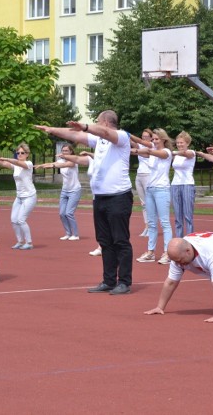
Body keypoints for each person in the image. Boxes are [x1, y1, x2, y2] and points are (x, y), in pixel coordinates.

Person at [35, 110, 133, 295]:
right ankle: (109, 280)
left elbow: (103, 132)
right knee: (105, 241)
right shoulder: (100, 141)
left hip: (118, 197)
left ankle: (125, 282)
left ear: (104, 122)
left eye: (97, 122)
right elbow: (75, 135)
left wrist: (87, 126)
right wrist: (51, 129)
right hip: (101, 198)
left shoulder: (121, 137)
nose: (94, 126)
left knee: (120, 240)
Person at [132, 128, 173, 264]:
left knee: (165, 222)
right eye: (153, 139)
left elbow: (148, 151)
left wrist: (137, 150)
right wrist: (130, 149)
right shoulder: (152, 154)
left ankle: (167, 252)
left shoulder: (166, 152)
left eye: (156, 139)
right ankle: (150, 252)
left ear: (163, 140)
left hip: (162, 189)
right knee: (151, 223)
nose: (153, 141)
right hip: (150, 189)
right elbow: (145, 151)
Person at [0, 143, 37, 250]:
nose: (20, 154)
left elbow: (16, 162)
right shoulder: (16, 166)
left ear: (27, 154)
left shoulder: (28, 164)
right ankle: (20, 241)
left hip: (29, 196)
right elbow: (3, 164)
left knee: (21, 220)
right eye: (18, 153)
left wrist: (6, 158)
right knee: (14, 220)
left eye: (22, 153)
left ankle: (29, 242)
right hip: (19, 197)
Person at [35, 143, 82, 241]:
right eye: (63, 151)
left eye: (66, 151)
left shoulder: (74, 161)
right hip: (65, 190)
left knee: (69, 213)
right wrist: (40, 165)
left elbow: (66, 164)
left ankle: (76, 234)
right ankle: (68, 233)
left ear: (71, 152)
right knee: (62, 213)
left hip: (75, 190)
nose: (64, 152)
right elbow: (54, 164)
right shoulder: (60, 160)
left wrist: (53, 165)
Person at [170, 131, 196, 237]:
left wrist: (174, 152)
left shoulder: (191, 153)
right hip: (175, 185)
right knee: (177, 217)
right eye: (178, 143)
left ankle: (190, 240)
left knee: (188, 216)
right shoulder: (176, 156)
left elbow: (186, 154)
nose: (179, 145)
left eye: (182, 143)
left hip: (187, 185)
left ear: (187, 143)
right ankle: (179, 240)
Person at [129, 128, 153, 236]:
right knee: (143, 203)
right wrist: (125, 136)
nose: (144, 138)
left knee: (149, 202)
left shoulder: (152, 146)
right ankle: (146, 226)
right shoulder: (141, 146)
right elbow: (134, 144)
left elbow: (145, 154)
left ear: (151, 138)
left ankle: (152, 227)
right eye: (143, 136)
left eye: (146, 137)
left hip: (148, 175)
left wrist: (135, 151)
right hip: (139, 175)